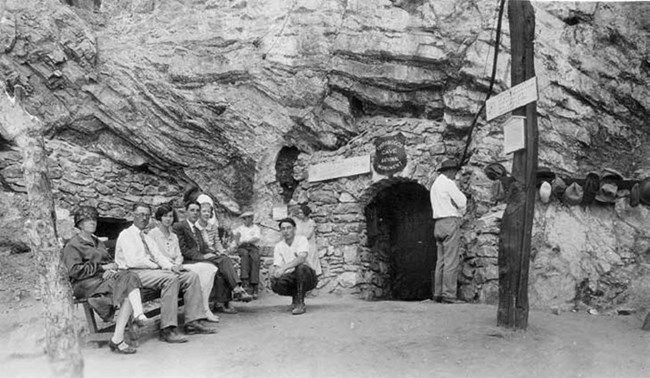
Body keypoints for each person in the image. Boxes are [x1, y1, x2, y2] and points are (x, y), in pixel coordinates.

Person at [115, 203, 216, 343]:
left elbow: (159, 256)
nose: (144, 218)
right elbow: (134, 261)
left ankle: (193, 322)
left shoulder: (146, 237)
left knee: (190, 276)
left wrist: (171, 266)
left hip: (150, 271)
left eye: (147, 215)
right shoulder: (126, 235)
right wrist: (157, 266)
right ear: (133, 215)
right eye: (140, 215)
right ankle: (167, 329)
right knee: (171, 279)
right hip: (132, 273)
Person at [63, 206, 146, 354]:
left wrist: (112, 268)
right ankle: (133, 322)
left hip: (102, 278)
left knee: (130, 279)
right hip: (84, 284)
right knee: (128, 282)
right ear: (80, 224)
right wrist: (101, 269)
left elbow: (108, 261)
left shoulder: (96, 241)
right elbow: (75, 271)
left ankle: (117, 338)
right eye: (88, 220)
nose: (92, 222)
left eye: (94, 219)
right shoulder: (73, 245)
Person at [173, 201, 252, 315]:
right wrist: (203, 256)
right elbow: (183, 249)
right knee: (223, 261)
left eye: (197, 210)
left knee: (222, 263)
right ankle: (236, 288)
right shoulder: (180, 226)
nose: (195, 213)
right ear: (186, 212)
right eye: (192, 210)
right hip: (187, 260)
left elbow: (203, 246)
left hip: (199, 257)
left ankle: (221, 303)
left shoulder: (196, 228)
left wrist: (213, 253)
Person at [148, 204, 220, 323]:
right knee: (196, 274)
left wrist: (177, 264)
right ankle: (202, 310)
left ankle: (204, 306)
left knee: (209, 268)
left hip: (177, 266)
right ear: (159, 218)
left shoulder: (173, 236)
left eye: (171, 216)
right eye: (165, 216)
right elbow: (155, 256)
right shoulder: (153, 234)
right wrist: (170, 266)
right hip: (163, 268)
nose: (168, 219)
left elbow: (179, 255)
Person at [430, 159, 467, 304]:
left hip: (438, 223)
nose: (455, 175)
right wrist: (461, 211)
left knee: (441, 261)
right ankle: (449, 294)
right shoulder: (448, 183)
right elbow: (462, 200)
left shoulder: (435, 185)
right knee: (451, 260)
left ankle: (437, 293)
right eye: (455, 172)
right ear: (450, 171)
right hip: (450, 221)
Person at [271, 218, 318, 315]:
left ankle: (300, 303)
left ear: (294, 229)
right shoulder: (279, 246)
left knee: (300, 268)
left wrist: (284, 268)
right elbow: (277, 266)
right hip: (291, 276)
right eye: (283, 229)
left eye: (288, 228)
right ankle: (295, 297)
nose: (286, 231)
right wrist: (275, 273)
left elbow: (301, 258)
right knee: (276, 282)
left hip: (308, 276)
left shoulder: (301, 239)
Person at [232, 211, 262, 298]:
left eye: (248, 218)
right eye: (244, 218)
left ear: (251, 219)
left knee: (255, 258)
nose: (245, 220)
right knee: (244, 256)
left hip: (253, 246)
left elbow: (257, 238)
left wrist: (246, 240)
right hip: (243, 247)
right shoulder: (239, 229)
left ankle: (254, 285)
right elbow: (236, 239)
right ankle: (245, 282)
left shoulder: (256, 228)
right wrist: (237, 243)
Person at [293, 204, 322, 278]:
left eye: (301, 213)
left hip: (309, 246)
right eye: (299, 213)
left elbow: (308, 236)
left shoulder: (311, 223)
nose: (299, 214)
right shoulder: (299, 223)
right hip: (301, 247)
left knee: (311, 264)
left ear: (305, 214)